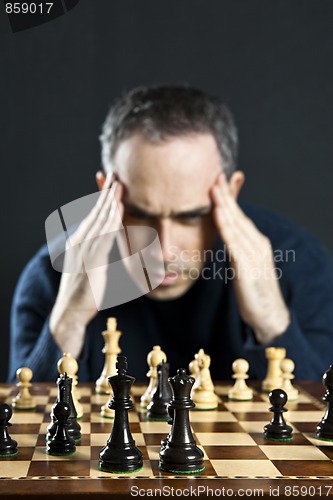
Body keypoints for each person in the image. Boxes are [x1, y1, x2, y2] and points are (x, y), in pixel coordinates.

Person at [8, 85, 333, 383]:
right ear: (106, 192)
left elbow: (322, 433)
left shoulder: (299, 265)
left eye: (191, 216)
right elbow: (24, 436)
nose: (163, 251)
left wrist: (273, 323)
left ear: (231, 192)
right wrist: (68, 321)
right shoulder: (51, 276)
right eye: (141, 214)